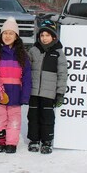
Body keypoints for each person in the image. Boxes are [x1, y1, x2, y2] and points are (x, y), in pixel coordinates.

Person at [0, 17, 32, 154]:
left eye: (11, 33)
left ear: (16, 36)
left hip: (16, 92)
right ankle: (1, 140)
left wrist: (25, 95)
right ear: (1, 35)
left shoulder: (22, 55)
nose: (8, 36)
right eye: (5, 33)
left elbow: (27, 77)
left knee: (14, 118)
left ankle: (11, 142)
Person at [26, 20, 67, 154]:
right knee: (33, 117)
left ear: (54, 37)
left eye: (47, 35)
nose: (44, 38)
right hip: (33, 92)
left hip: (49, 94)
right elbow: (26, 70)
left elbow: (62, 74)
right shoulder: (33, 50)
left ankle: (47, 141)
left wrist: (60, 93)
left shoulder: (58, 53)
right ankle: (34, 140)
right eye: (42, 35)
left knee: (47, 118)